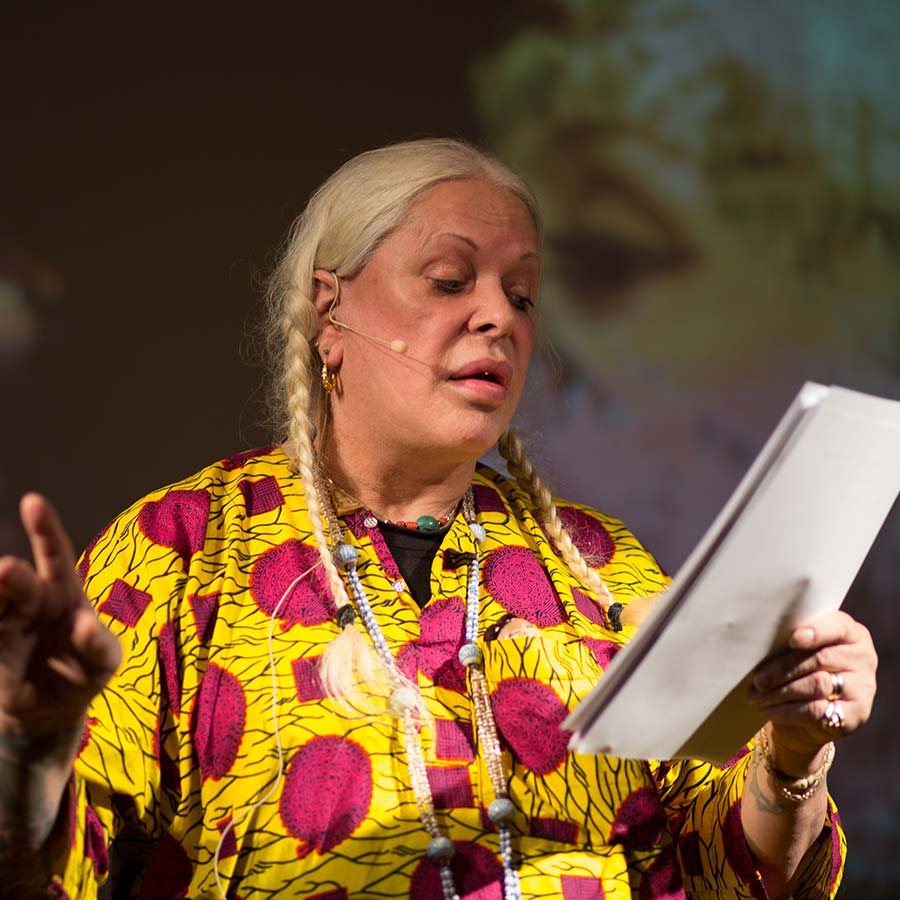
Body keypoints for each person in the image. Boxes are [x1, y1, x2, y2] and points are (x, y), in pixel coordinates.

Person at [0, 139, 877, 900]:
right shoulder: (186, 545)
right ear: (329, 310)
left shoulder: (602, 567)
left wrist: (794, 751)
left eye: (522, 296)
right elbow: (48, 869)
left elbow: (731, 872)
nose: (498, 317)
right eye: (450, 281)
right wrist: (30, 748)